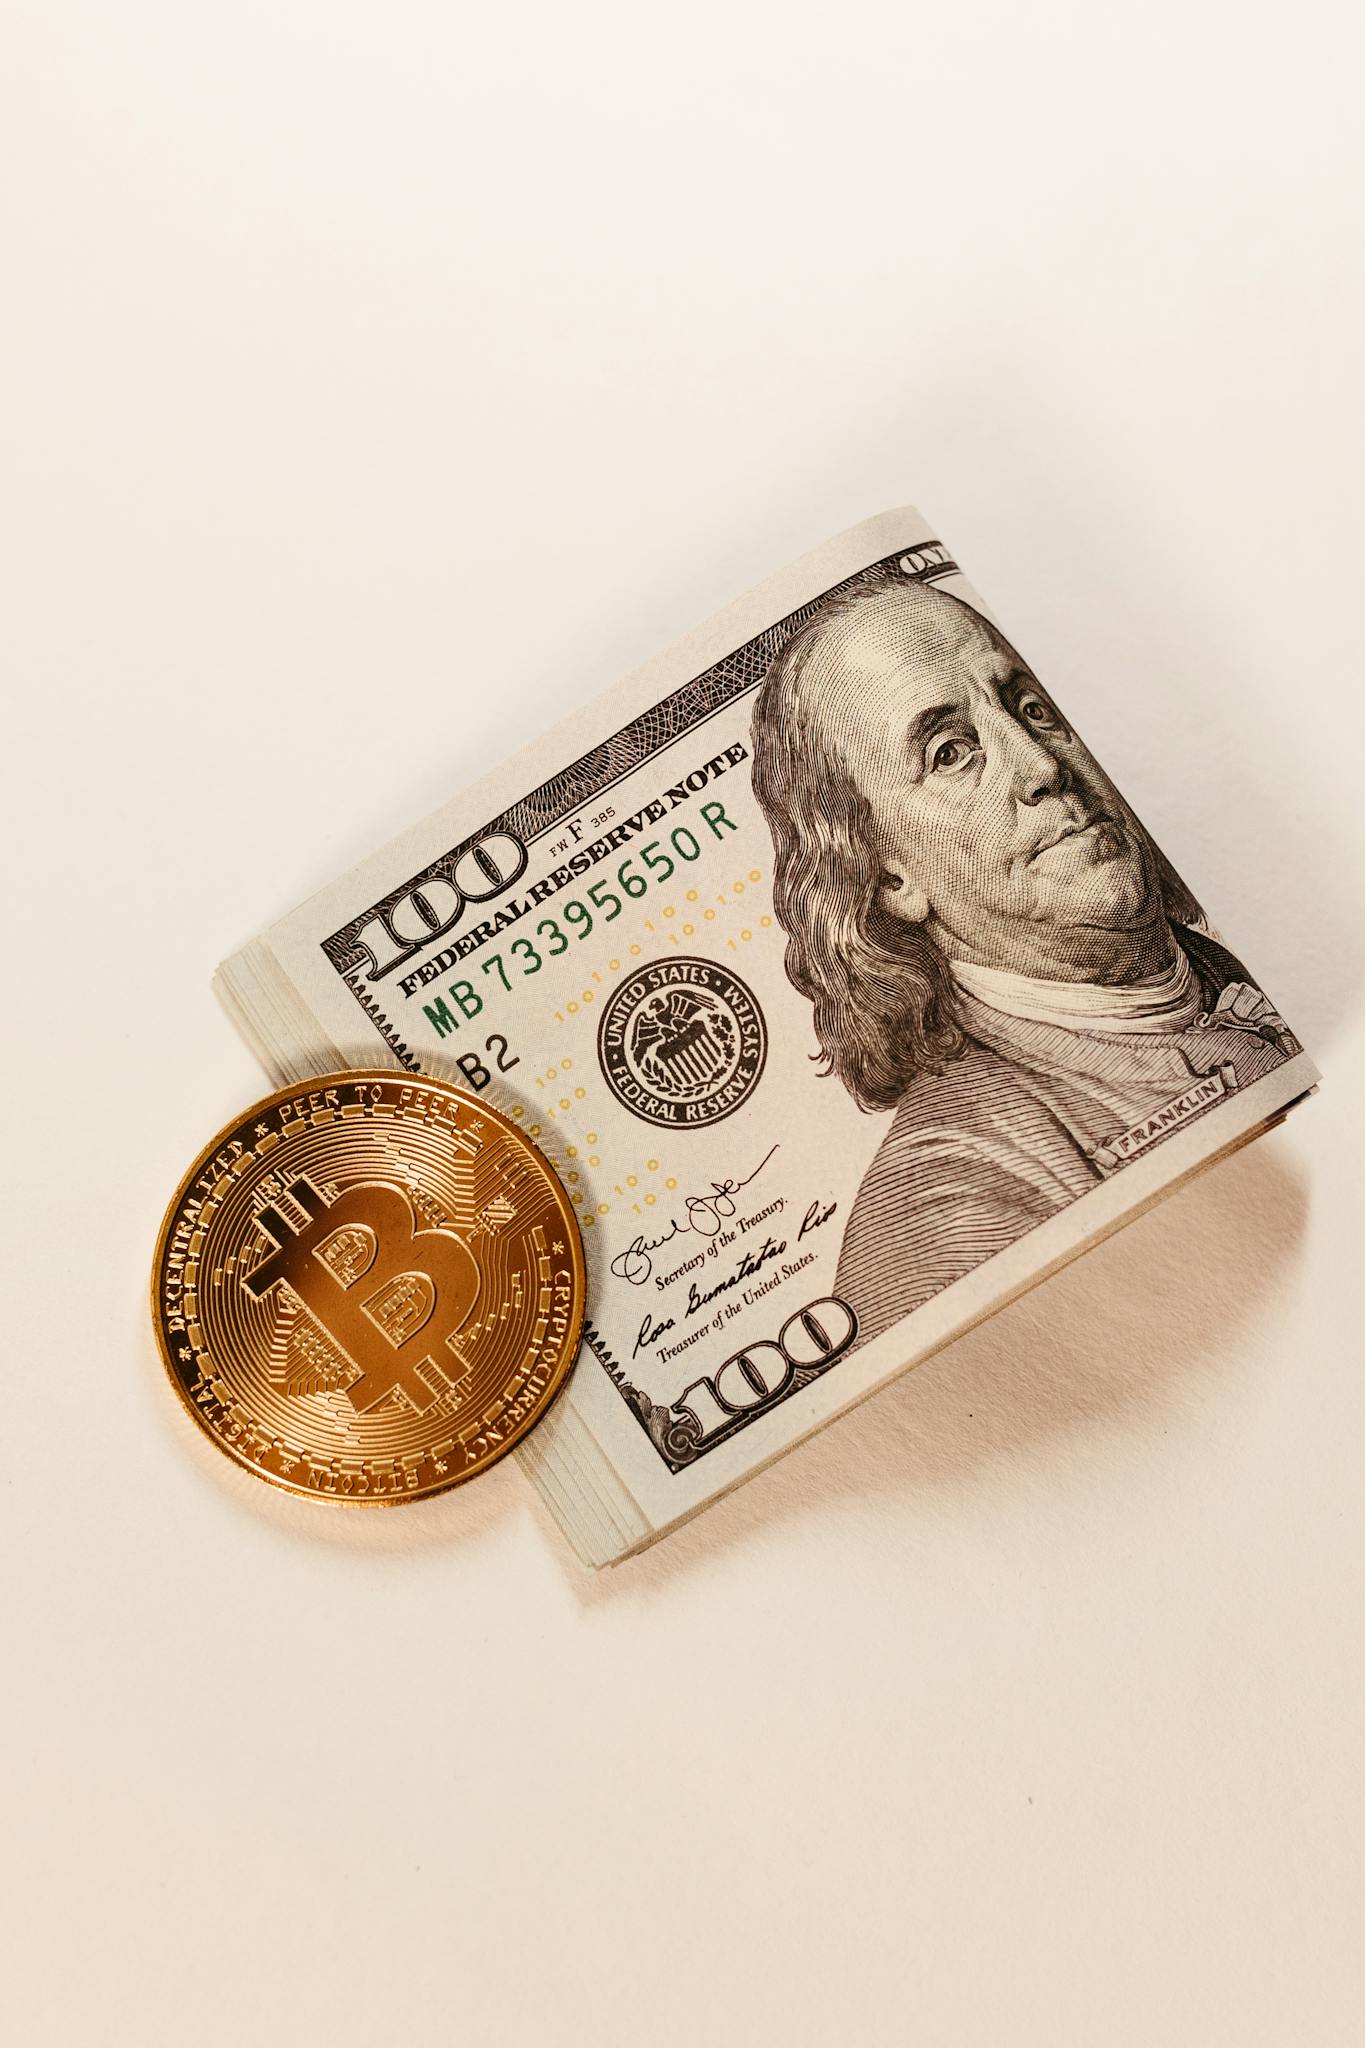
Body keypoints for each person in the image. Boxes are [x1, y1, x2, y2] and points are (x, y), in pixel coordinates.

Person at [750, 564, 1298, 1350]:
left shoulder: (1234, 958)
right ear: (886, 874)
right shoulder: (949, 1201)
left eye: (1032, 708)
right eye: (949, 753)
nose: (1042, 766)